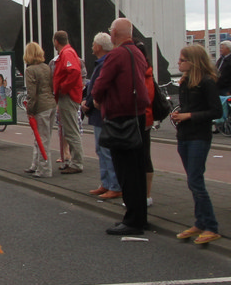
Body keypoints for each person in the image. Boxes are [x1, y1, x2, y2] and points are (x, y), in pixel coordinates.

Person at [90, 18, 155, 235]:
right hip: (138, 115)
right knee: (137, 168)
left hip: (119, 117)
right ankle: (139, 217)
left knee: (125, 170)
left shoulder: (116, 55)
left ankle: (133, 220)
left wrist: (96, 99)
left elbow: (100, 83)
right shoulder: (137, 52)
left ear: (114, 33)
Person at [171, 44, 223, 246]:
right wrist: (179, 115)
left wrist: (189, 115)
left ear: (193, 62)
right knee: (192, 180)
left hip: (199, 136)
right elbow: (187, 107)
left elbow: (216, 112)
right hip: (184, 135)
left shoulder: (207, 82)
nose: (178, 63)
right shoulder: (185, 83)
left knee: (196, 180)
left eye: (182, 60)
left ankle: (211, 226)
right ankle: (200, 222)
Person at [83, 33, 122, 200]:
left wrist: (88, 103)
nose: (92, 46)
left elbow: (99, 87)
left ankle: (114, 185)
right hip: (98, 112)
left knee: (106, 150)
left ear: (99, 46)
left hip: (102, 112)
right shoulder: (102, 63)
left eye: (93, 44)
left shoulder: (104, 64)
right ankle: (106, 183)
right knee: (101, 149)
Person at [51, 30, 84, 174]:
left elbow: (74, 71)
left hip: (68, 96)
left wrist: (63, 88)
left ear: (56, 41)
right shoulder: (68, 53)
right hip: (68, 95)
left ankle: (76, 163)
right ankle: (71, 161)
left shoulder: (67, 53)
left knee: (71, 130)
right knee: (68, 129)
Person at [21, 42, 56, 177]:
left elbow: (32, 93)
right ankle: (36, 165)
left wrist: (30, 110)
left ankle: (44, 169)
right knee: (44, 137)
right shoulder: (46, 67)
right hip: (50, 104)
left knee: (41, 139)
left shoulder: (30, 70)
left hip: (40, 107)